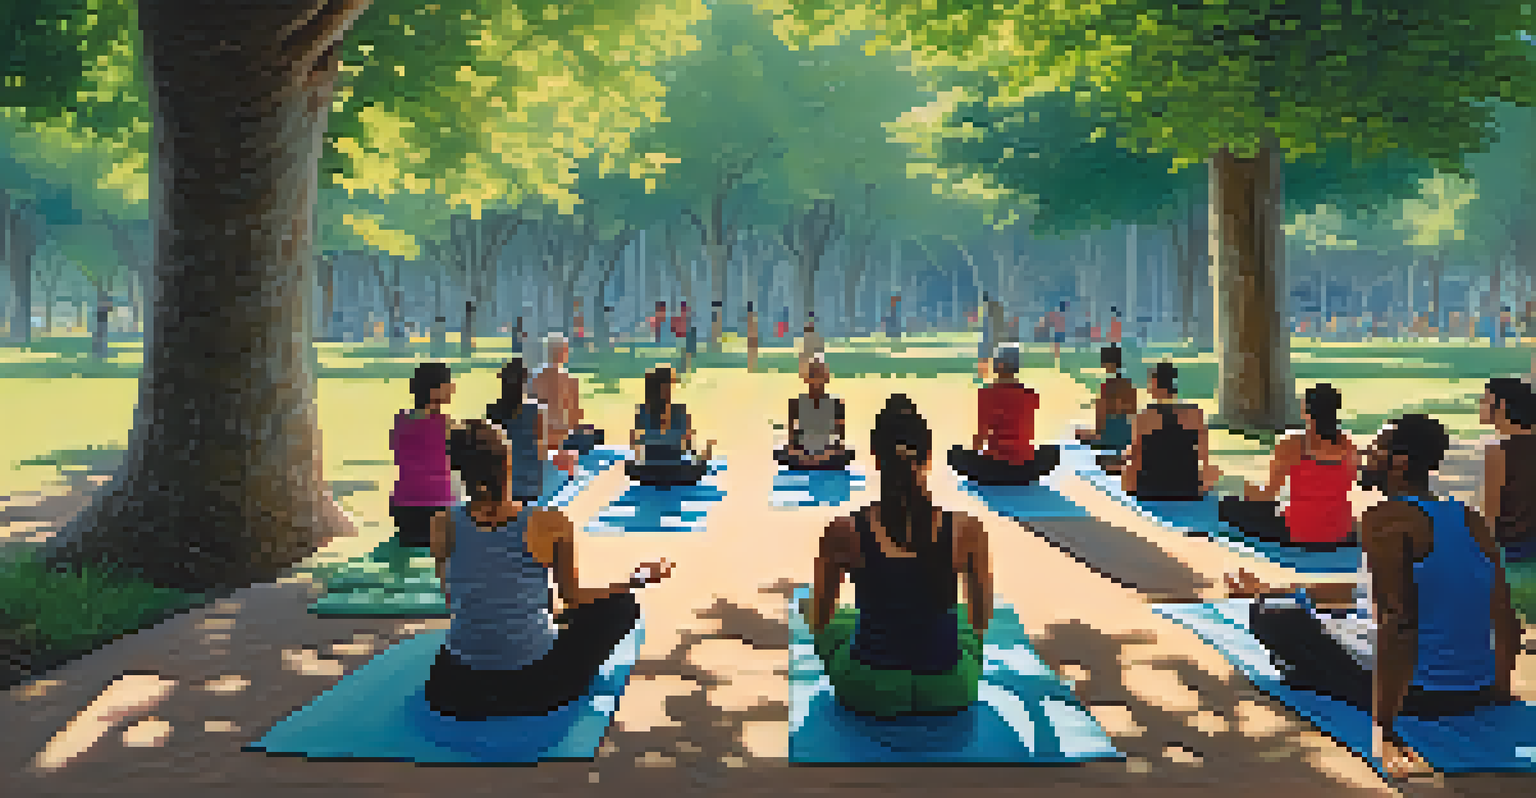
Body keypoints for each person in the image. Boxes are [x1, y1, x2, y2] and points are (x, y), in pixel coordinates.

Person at [1225, 414, 1520, 779]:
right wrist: (1498, 691)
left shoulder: (1385, 519)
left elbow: (1397, 622)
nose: (1364, 455)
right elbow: (1504, 614)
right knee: (1308, 610)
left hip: (1417, 696)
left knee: (1270, 615)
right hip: (1476, 688)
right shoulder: (1469, 518)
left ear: (1400, 462)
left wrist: (1384, 726)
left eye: (1375, 449)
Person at [424, 419, 673, 720]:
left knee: (542, 615)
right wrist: (632, 581)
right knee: (622, 606)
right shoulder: (550, 522)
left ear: (459, 471)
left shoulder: (442, 523)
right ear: (508, 463)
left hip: (457, 689)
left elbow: (452, 597)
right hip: (537, 686)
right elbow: (574, 598)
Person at [808, 394, 994, 719]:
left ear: (876, 459)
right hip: (950, 688)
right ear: (928, 457)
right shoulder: (967, 529)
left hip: (868, 689)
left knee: (838, 624)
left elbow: (820, 620)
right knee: (963, 624)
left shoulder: (843, 530)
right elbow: (981, 621)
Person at [1217, 384, 1359, 549]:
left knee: (1229, 505)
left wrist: (1245, 489)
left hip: (1300, 533)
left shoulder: (1292, 443)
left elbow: (1268, 495)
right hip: (1340, 532)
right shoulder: (1349, 445)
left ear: (1305, 411)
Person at [947, 344, 1061, 485]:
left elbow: (981, 437)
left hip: (994, 467)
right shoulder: (1031, 395)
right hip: (1025, 468)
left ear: (998, 366)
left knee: (955, 453)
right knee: (1052, 451)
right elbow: (1027, 433)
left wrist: (973, 455)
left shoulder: (986, 394)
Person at [1121, 362, 1220, 500]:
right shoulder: (1196, 414)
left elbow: (1136, 458)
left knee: (1127, 465)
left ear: (1154, 383)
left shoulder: (1143, 417)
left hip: (1151, 489)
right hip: (1187, 488)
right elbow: (1204, 458)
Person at [390, 363, 461, 550]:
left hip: (403, 504)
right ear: (435, 390)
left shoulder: (400, 420)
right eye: (448, 383)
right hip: (439, 505)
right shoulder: (447, 424)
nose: (453, 388)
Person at [528, 333, 604, 473]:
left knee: (593, 434)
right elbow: (576, 418)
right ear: (563, 352)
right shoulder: (569, 380)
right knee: (596, 436)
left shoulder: (535, 378)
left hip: (540, 438)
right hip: (561, 439)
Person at [628, 366, 714, 487]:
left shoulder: (642, 412)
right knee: (698, 466)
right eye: (668, 387)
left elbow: (635, 444)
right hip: (674, 469)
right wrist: (700, 460)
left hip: (650, 470)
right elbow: (688, 446)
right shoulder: (679, 412)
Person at [1480, 378, 1536, 563]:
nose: (1480, 405)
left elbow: (1490, 517)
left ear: (1501, 406)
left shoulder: (1498, 452)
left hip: (1514, 549)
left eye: (1484, 400)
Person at [484, 358, 547, 504]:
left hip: (503, 486)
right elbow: (541, 449)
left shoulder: (493, 411)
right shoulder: (535, 410)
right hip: (531, 485)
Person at [775, 357, 855, 470]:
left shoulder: (836, 404)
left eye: (819, 376)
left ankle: (815, 462)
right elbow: (792, 439)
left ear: (826, 378)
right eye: (813, 376)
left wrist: (828, 454)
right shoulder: (795, 404)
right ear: (806, 379)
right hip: (803, 452)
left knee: (846, 454)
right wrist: (798, 453)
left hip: (827, 452)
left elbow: (840, 441)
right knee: (781, 453)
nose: (816, 381)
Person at [1075, 345, 1138, 472]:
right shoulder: (1128, 385)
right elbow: (1132, 413)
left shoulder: (1107, 387)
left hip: (1110, 437)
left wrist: (1092, 435)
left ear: (1107, 364)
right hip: (1126, 435)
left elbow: (1100, 421)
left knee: (1078, 434)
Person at [746, 301, 760, 372]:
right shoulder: (753, 318)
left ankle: (751, 367)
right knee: (752, 353)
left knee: (752, 353)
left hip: (752, 337)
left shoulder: (751, 318)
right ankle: (751, 367)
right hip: (752, 337)